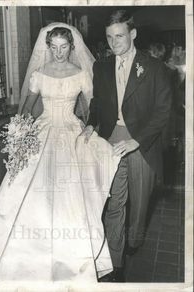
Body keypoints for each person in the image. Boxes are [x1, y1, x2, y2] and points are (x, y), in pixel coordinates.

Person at [0, 23, 120, 282]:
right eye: (54, 48)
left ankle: (72, 260)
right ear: (48, 48)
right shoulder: (39, 74)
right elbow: (27, 108)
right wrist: (22, 133)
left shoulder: (81, 74)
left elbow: (93, 107)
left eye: (64, 47)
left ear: (71, 47)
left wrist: (88, 127)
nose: (59, 52)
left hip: (71, 131)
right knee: (26, 190)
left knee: (71, 195)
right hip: (43, 131)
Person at [81, 10, 172, 282]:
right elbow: (98, 104)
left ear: (133, 34)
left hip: (143, 141)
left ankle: (135, 240)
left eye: (119, 36)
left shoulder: (155, 68)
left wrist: (137, 140)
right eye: (109, 37)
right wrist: (90, 124)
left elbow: (163, 111)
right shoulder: (102, 66)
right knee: (114, 202)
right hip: (111, 140)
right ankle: (116, 262)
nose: (113, 42)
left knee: (140, 203)